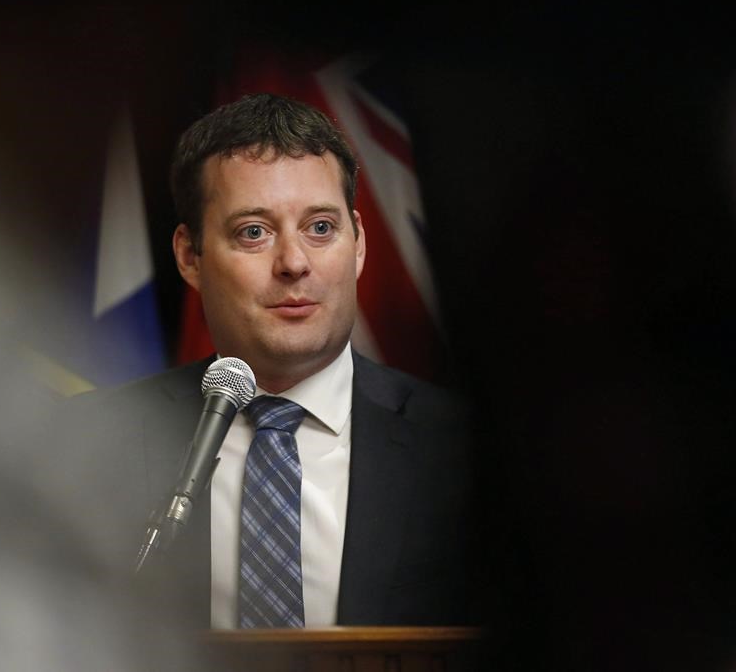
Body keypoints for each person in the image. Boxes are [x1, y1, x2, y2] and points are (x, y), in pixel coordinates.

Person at [54, 93, 473, 630]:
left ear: (360, 242)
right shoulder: (88, 442)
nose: (295, 263)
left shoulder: (462, 450)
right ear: (189, 256)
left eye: (320, 227)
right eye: (254, 232)